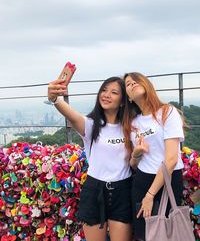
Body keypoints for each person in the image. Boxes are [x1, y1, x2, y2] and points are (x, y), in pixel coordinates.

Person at [47, 76, 132, 241]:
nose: (106, 95)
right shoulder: (91, 124)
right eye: (104, 90)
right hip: (95, 190)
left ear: (122, 102)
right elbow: (70, 113)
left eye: (114, 92)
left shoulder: (130, 127)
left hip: (123, 191)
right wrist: (55, 97)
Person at [123, 72, 185, 241]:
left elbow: (171, 160)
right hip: (142, 181)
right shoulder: (133, 124)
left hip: (167, 181)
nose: (132, 84)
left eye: (136, 80)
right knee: (144, 235)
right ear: (127, 97)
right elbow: (134, 165)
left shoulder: (167, 112)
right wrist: (135, 156)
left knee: (168, 233)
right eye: (128, 84)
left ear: (147, 84)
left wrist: (149, 196)